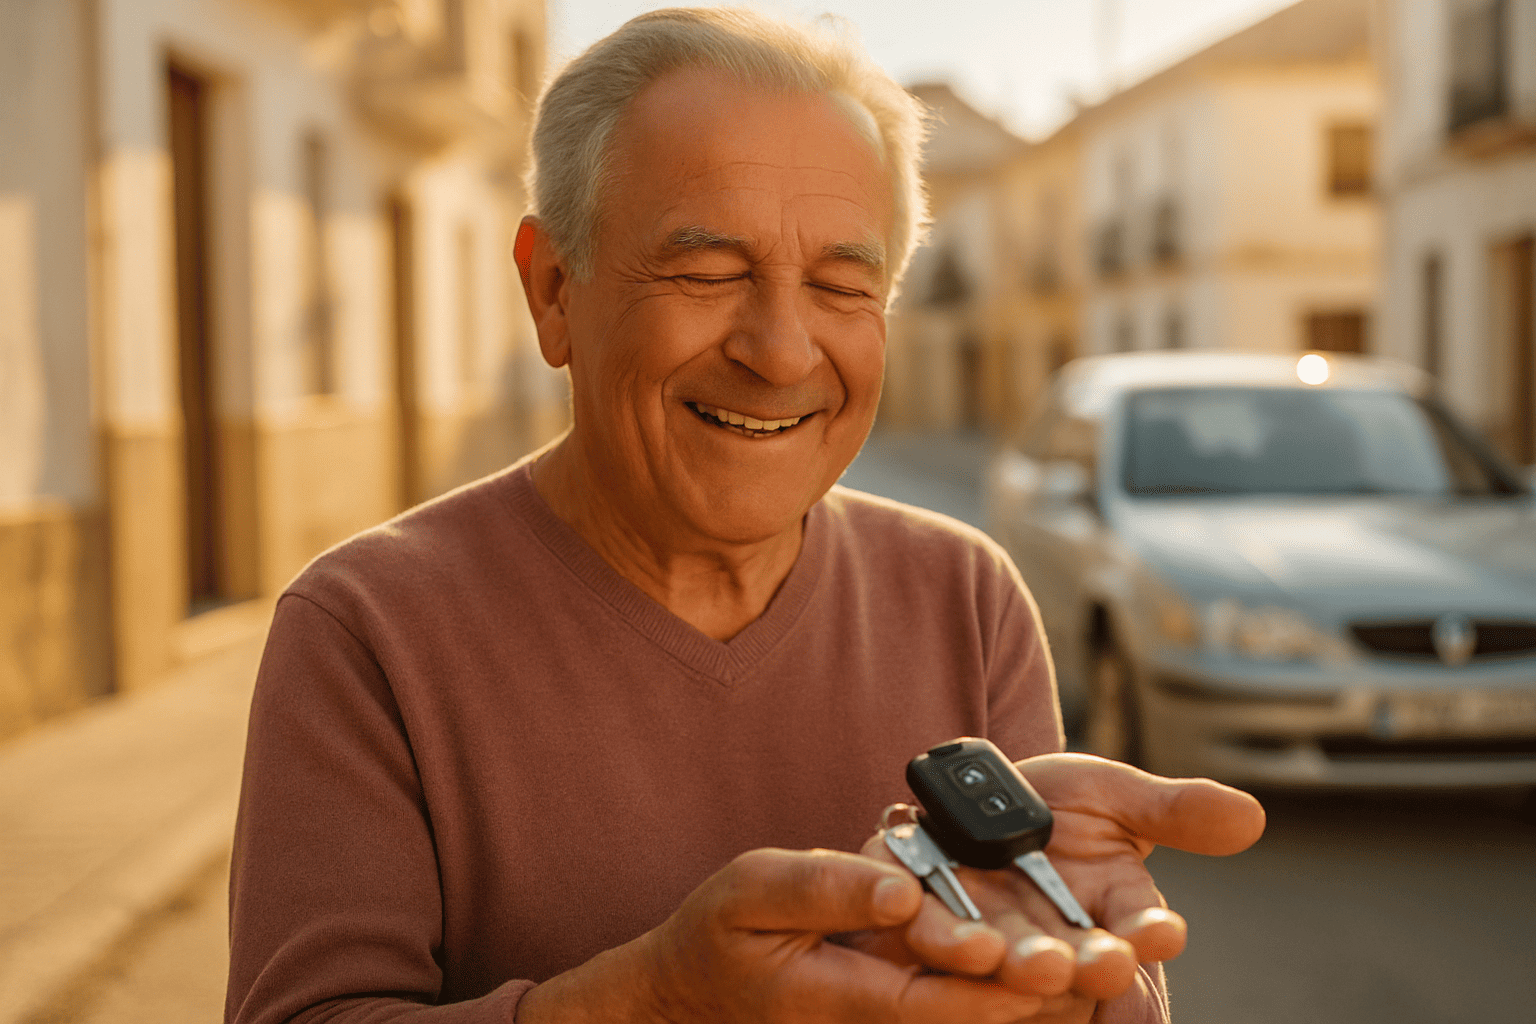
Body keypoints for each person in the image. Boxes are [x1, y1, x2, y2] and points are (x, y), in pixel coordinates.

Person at [225, 9, 1264, 1023]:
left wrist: (1080, 985)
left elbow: (1057, 967)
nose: (780, 351)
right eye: (708, 272)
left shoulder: (965, 592)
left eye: (840, 286)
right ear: (553, 291)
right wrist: (657, 1001)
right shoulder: (367, 627)